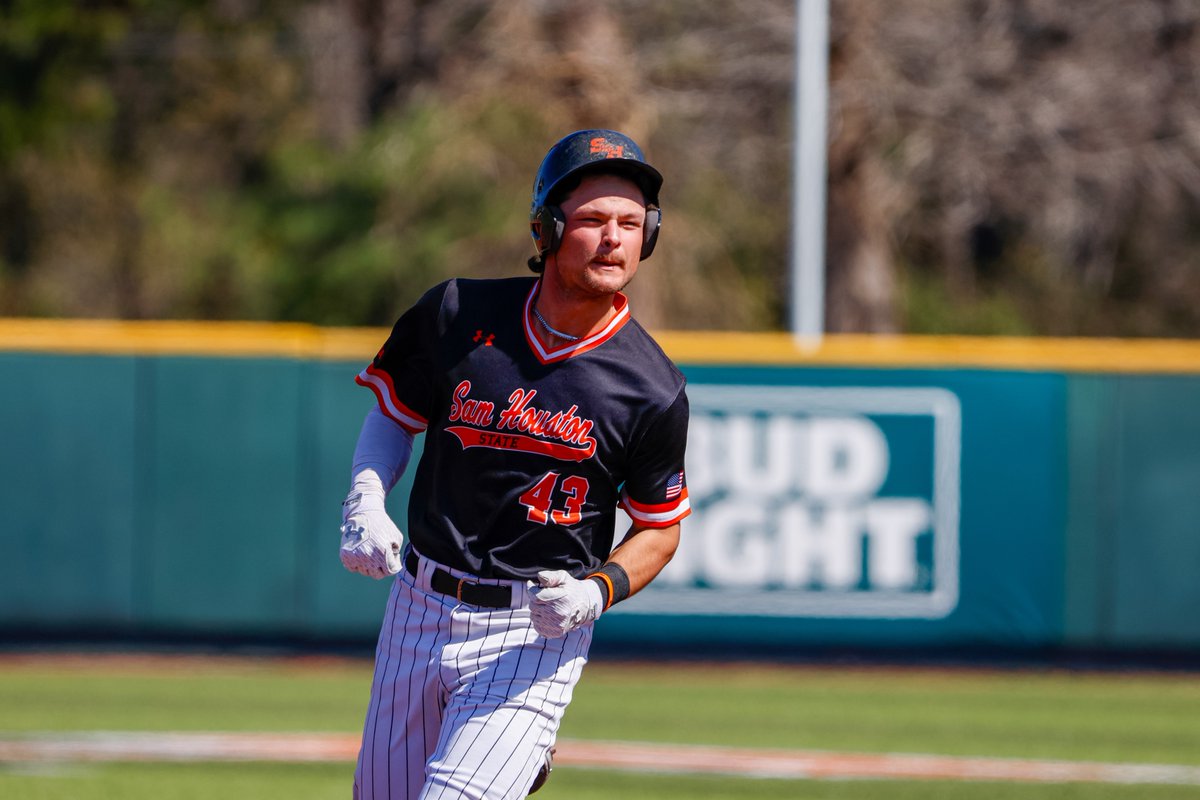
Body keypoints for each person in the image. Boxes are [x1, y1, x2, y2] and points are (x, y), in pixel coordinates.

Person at [338, 128, 691, 800]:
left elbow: (660, 526)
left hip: (531, 631)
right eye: (591, 220)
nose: (614, 237)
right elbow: (395, 412)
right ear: (546, 228)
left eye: (630, 222)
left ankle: (519, 747)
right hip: (418, 603)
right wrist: (365, 497)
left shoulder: (652, 386)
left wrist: (598, 590)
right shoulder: (456, 313)